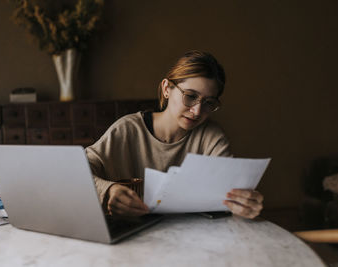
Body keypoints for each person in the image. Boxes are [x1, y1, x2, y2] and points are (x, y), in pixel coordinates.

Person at [86, 50, 264, 219]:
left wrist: (242, 206)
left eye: (209, 102)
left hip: (190, 239)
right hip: (129, 237)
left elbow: (226, 196)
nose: (196, 111)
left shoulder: (212, 137)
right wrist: (108, 191)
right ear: (166, 88)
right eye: (190, 96)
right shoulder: (128, 129)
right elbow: (78, 171)